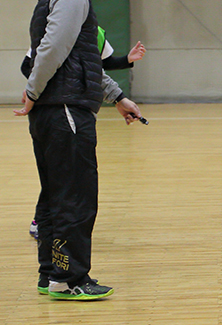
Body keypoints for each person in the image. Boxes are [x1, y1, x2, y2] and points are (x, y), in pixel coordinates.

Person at [14, 0, 143, 300]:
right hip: (66, 110)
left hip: (56, 109)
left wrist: (117, 96)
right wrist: (34, 91)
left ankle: (50, 274)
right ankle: (68, 278)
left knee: (56, 196)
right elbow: (52, 49)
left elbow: (79, 60)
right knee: (76, 197)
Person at [24, 29, 146, 239]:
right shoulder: (56, 27)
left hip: (77, 110)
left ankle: (56, 228)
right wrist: (36, 87)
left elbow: (98, 66)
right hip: (56, 109)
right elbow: (28, 66)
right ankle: (45, 224)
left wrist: (126, 62)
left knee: (70, 174)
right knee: (59, 172)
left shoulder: (94, 30)